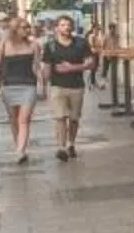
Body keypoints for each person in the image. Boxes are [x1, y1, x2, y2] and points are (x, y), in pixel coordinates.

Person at [41, 14, 95, 162]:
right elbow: (46, 67)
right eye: (63, 25)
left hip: (76, 86)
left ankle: (71, 143)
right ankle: (61, 147)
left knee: (74, 118)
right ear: (56, 28)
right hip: (57, 86)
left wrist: (73, 67)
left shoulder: (80, 43)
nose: (67, 27)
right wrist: (43, 87)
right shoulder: (50, 46)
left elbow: (91, 63)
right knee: (60, 118)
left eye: (68, 24)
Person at [0, 13, 45, 163]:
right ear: (15, 29)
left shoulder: (33, 45)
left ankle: (21, 150)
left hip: (28, 85)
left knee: (24, 120)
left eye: (28, 27)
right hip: (9, 85)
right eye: (24, 27)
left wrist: (42, 84)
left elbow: (36, 67)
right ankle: (18, 145)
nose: (28, 30)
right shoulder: (4, 45)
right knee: (13, 119)